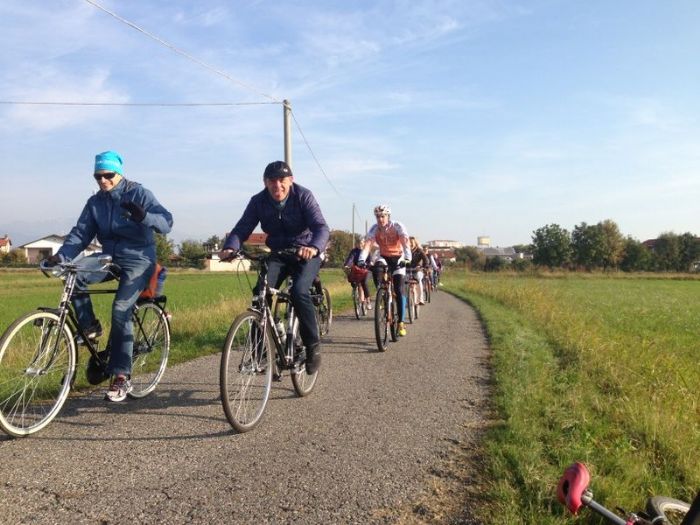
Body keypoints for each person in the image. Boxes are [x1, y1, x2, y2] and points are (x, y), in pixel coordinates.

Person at [45, 150, 173, 402]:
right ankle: (89, 325)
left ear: (119, 173)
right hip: (108, 257)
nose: (103, 180)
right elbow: (80, 234)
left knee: (121, 309)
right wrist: (62, 256)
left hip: (139, 258)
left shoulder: (139, 193)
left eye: (108, 175)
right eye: (98, 176)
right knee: (74, 275)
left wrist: (145, 216)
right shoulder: (96, 203)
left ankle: (121, 375)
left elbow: (167, 222)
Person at [218, 160, 329, 374]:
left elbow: (320, 227)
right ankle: (259, 350)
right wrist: (230, 247)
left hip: (305, 253)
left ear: (291, 180)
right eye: (272, 181)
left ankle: (313, 346)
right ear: (265, 182)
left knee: (299, 292)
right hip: (278, 254)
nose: (277, 185)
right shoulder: (258, 201)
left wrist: (314, 247)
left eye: (282, 180)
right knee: (260, 293)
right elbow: (242, 228)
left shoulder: (303, 196)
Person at [357, 204, 411, 336]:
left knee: (399, 289)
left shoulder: (397, 226)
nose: (380, 219)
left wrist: (407, 258)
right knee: (377, 269)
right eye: (378, 217)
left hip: (398, 257)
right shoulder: (374, 229)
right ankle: (383, 294)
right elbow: (368, 245)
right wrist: (361, 259)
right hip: (384, 256)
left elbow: (405, 243)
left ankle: (401, 322)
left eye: (383, 216)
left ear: (388, 216)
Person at [343, 239, 372, 311]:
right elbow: (350, 259)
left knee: (364, 283)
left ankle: (368, 301)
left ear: (364, 244)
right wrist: (347, 265)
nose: (360, 244)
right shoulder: (354, 251)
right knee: (353, 281)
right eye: (358, 243)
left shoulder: (367, 251)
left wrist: (367, 264)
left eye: (361, 243)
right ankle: (357, 292)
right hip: (357, 269)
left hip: (365, 270)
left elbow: (369, 261)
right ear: (356, 244)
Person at [408, 236, 430, 306]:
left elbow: (426, 259)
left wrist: (425, 266)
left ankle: (420, 299)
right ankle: (407, 299)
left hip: (418, 269)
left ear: (415, 243)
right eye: (409, 242)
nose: (410, 244)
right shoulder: (406, 250)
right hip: (408, 270)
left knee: (418, 278)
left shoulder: (419, 251)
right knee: (404, 281)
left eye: (412, 242)